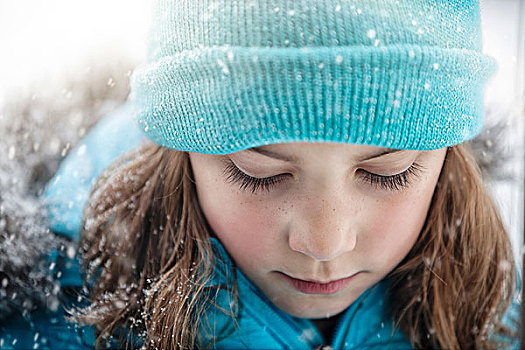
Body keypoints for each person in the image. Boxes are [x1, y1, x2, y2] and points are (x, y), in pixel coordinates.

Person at [5, 0, 522, 349]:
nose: (324, 242)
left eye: (389, 172)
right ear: (177, 154)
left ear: (449, 159)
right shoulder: (59, 324)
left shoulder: (492, 312)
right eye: (259, 172)